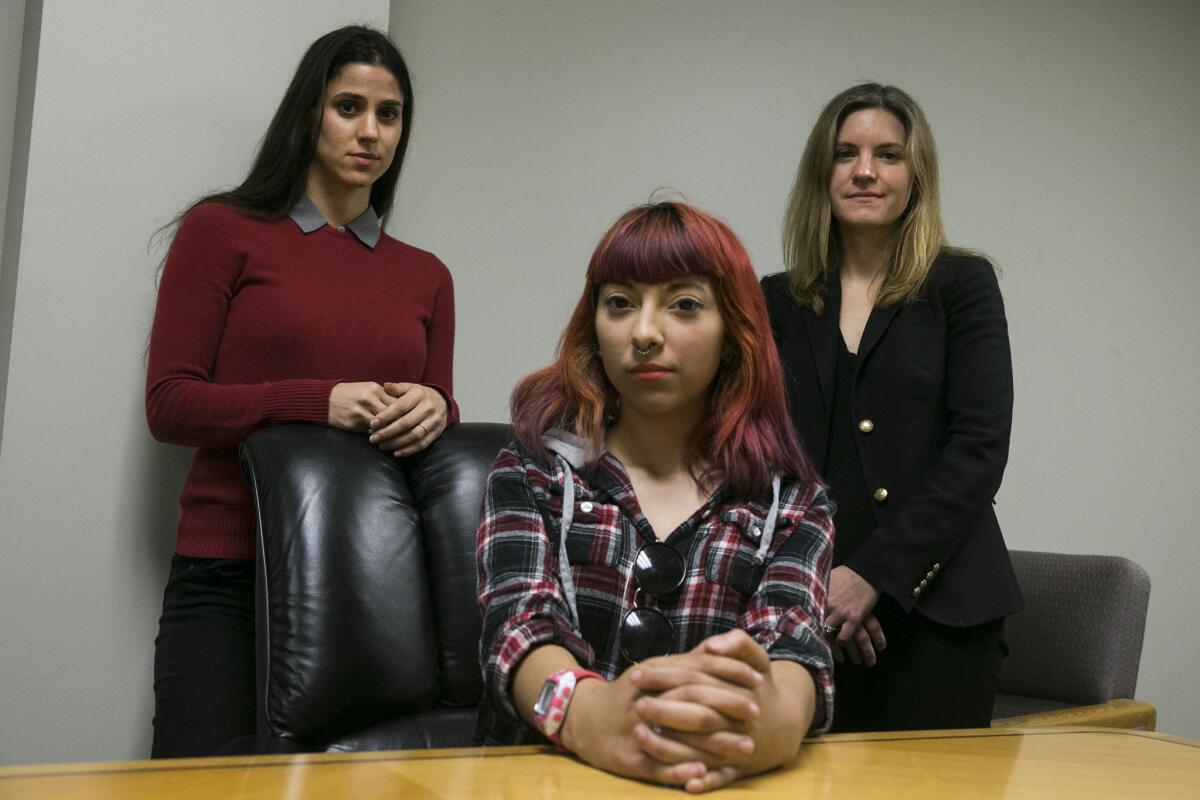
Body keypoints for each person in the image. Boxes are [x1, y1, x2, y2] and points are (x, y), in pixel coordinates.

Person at [145, 26, 457, 758]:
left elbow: (433, 411)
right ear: (308, 113)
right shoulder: (221, 231)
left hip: (367, 588)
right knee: (194, 782)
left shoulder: (426, 275)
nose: (370, 132)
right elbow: (171, 404)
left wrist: (438, 408)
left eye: (389, 114)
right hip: (228, 573)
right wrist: (320, 402)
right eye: (349, 106)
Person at [476, 202, 835, 793]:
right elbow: (519, 626)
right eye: (619, 303)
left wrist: (774, 723)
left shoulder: (790, 503)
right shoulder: (535, 468)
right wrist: (589, 715)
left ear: (733, 334)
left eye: (684, 304)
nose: (644, 333)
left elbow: (792, 644)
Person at [761, 83, 1022, 732]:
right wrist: (821, 583)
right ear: (822, 171)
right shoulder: (774, 301)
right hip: (811, 610)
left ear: (916, 174)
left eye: (889, 155)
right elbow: (760, 456)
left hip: (944, 612)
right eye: (846, 153)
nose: (865, 171)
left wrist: (872, 576)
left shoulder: (962, 286)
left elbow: (979, 448)